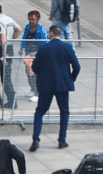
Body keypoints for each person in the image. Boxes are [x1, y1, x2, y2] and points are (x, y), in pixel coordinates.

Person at [29, 24, 80, 152]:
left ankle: (36, 139)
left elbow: (34, 68)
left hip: (46, 85)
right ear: (60, 34)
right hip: (62, 85)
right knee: (64, 112)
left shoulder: (43, 48)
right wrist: (71, 78)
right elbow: (77, 66)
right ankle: (62, 140)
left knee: (40, 112)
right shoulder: (67, 47)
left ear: (51, 33)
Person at [18, 10, 48, 102]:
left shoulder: (42, 29)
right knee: (29, 72)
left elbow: (45, 43)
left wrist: (37, 53)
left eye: (33, 20)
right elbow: (24, 38)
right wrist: (21, 48)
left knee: (36, 74)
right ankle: (32, 88)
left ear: (37, 20)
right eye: (29, 19)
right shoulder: (28, 27)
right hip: (29, 53)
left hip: (38, 55)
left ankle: (38, 93)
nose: (31, 21)